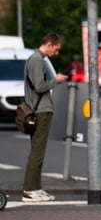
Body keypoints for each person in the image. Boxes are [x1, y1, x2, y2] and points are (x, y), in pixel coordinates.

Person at [22, 33, 69, 202]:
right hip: (40, 110)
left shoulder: (38, 59)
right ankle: (29, 189)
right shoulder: (36, 60)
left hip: (42, 109)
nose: (56, 53)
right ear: (49, 44)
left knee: (39, 151)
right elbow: (39, 86)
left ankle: (36, 187)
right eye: (56, 49)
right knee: (37, 151)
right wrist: (56, 81)